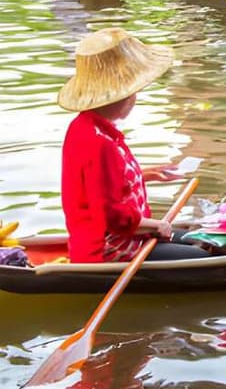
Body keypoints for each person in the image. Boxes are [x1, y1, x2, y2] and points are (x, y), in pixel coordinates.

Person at [58, 27, 209, 262]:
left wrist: (146, 173)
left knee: (201, 237)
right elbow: (112, 217)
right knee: (200, 256)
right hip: (111, 249)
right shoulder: (98, 143)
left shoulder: (87, 127)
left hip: (124, 238)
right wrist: (156, 225)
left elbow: (105, 185)